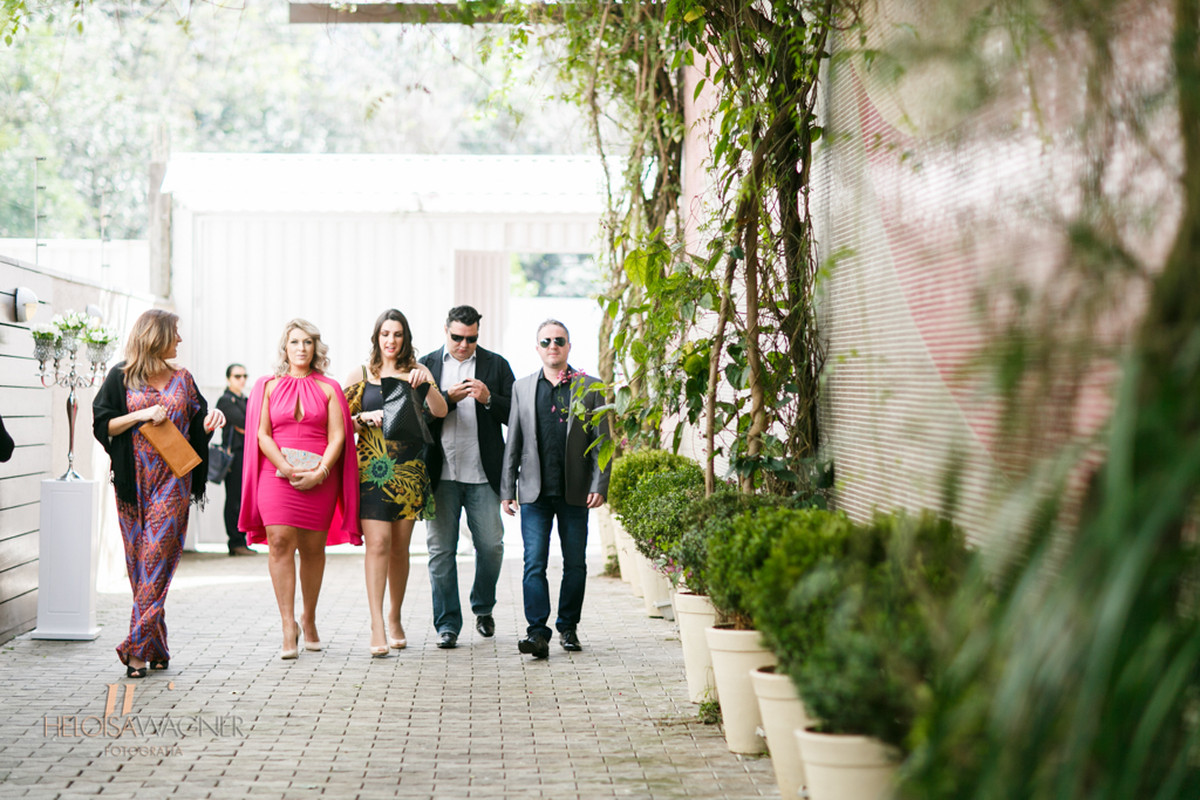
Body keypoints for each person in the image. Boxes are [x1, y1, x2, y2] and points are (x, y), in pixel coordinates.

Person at [92, 309, 226, 678]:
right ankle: (158, 645)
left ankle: (135, 650)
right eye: (175, 333)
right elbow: (103, 424)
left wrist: (214, 420)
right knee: (141, 567)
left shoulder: (183, 379)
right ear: (156, 335)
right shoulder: (121, 377)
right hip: (133, 486)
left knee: (153, 559)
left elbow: (199, 422)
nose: (180, 340)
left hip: (173, 483)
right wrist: (140, 415)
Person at [239, 318, 361, 660]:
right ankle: (287, 624)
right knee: (279, 541)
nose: (301, 348)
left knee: (312, 548)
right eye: (295, 342)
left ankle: (309, 617)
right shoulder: (268, 386)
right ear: (285, 348)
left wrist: (321, 471)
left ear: (315, 347)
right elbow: (262, 434)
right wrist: (284, 466)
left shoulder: (329, 388)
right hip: (275, 473)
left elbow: (338, 435)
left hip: (319, 475)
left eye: (307, 342)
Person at [501, 319, 611, 659]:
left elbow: (602, 443)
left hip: (575, 492)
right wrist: (507, 489)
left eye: (559, 340)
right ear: (537, 348)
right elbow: (513, 442)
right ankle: (537, 633)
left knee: (575, 563)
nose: (553, 346)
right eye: (546, 341)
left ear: (568, 347)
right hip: (534, 493)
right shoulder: (522, 388)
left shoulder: (591, 387)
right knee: (533, 562)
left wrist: (599, 484)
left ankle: (568, 628)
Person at [345, 309, 447, 657]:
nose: (391, 341)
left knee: (400, 549)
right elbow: (339, 420)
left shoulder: (418, 372)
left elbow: (441, 411)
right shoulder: (361, 374)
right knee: (378, 545)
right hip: (371, 470)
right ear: (377, 337)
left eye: (398, 334)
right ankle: (376, 624)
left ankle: (395, 616)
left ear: (406, 338)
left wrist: (427, 383)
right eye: (385, 334)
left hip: (409, 472)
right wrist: (361, 417)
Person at [419, 305, 514, 649]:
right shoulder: (427, 365)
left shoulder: (496, 365)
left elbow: (515, 415)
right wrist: (447, 399)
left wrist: (489, 399)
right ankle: (447, 625)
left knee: (491, 546)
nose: (463, 345)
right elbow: (414, 420)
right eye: (457, 337)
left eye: (471, 339)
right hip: (439, 474)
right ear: (445, 329)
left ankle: (483, 606)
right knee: (441, 551)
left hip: (482, 473)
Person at [216, 363, 253, 556]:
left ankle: (242, 541)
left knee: (245, 499)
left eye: (244, 376)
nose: (242, 380)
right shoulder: (225, 401)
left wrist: (249, 428)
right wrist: (249, 428)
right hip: (235, 455)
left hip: (249, 454)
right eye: (238, 376)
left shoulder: (246, 400)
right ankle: (235, 542)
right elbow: (245, 422)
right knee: (234, 499)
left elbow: (255, 424)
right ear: (228, 379)